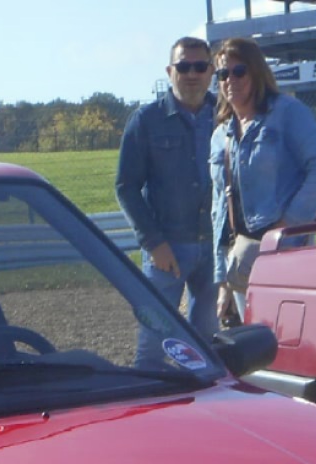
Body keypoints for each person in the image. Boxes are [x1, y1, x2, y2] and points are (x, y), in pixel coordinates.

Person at [209, 36, 316, 326]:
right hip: (242, 258)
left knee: (285, 339)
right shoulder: (221, 134)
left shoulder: (287, 113)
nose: (230, 79)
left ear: (256, 72)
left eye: (239, 71)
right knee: (253, 348)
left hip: (283, 255)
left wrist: (289, 225)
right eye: (222, 74)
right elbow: (219, 208)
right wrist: (222, 280)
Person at [115, 35, 220, 365]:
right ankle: (148, 409)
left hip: (217, 246)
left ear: (211, 70)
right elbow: (126, 186)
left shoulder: (225, 114)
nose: (192, 74)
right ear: (169, 70)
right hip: (168, 249)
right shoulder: (146, 120)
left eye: (199, 66)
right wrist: (153, 242)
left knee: (209, 344)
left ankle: (198, 410)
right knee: (154, 345)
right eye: (183, 66)